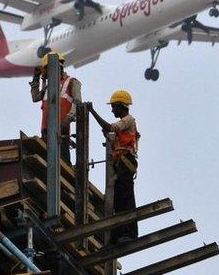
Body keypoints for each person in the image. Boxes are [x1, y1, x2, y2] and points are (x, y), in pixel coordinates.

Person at [87, 90, 140, 244]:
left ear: (120, 106)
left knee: (126, 197)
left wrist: (92, 111)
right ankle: (119, 234)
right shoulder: (124, 125)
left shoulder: (128, 119)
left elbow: (111, 128)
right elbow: (112, 134)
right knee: (118, 198)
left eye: (113, 107)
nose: (112, 110)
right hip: (120, 164)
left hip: (126, 162)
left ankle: (129, 233)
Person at [29, 52, 81, 161]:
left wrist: (67, 120)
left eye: (45, 70)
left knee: (63, 161)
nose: (45, 74)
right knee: (47, 160)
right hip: (46, 130)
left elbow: (78, 103)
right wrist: (36, 78)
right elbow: (35, 98)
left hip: (61, 128)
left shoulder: (71, 82)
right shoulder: (49, 86)